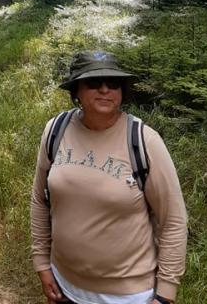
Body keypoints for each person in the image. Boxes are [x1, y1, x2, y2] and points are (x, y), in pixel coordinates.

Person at [30, 50, 187, 304]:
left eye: (113, 83)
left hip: (129, 296)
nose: (104, 89)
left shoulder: (144, 141)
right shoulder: (56, 130)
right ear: (76, 90)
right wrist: (42, 262)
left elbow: (173, 220)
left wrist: (165, 294)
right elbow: (39, 199)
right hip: (63, 285)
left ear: (122, 91)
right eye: (94, 82)